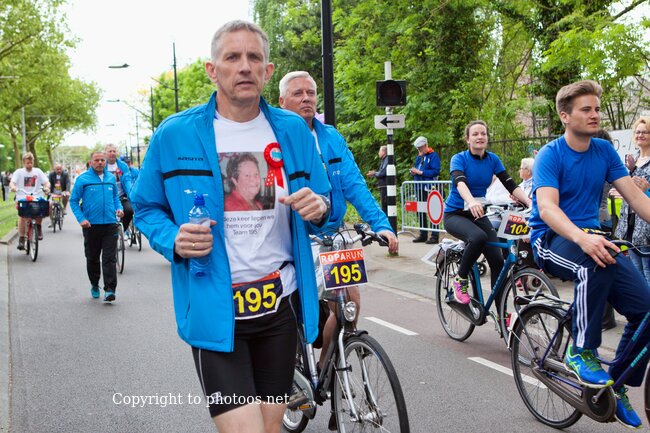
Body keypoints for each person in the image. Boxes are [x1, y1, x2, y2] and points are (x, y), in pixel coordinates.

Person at [130, 21, 332, 433]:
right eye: (232, 57)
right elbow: (145, 207)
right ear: (212, 69)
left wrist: (320, 206)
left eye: (254, 57)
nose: (244, 66)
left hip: (280, 306)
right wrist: (173, 239)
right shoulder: (175, 134)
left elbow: (325, 199)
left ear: (268, 71)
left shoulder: (293, 130)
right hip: (216, 308)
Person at [529, 80, 650, 429]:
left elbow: (637, 199)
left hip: (593, 238)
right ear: (565, 116)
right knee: (594, 264)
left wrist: (590, 238)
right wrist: (582, 238)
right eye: (586, 109)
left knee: (646, 310)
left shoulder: (604, 151)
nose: (595, 114)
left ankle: (618, 384)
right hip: (552, 238)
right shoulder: (550, 154)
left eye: (596, 108)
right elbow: (548, 208)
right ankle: (580, 350)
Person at [278, 70, 398, 377]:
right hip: (292, 238)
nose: (306, 98)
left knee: (349, 304)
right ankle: (290, 370)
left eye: (310, 93)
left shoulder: (331, 137)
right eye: (297, 93)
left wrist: (381, 225)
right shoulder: (274, 138)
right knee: (289, 311)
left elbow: (355, 184)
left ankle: (324, 368)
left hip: (332, 234)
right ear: (281, 101)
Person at [443, 120, 531, 304]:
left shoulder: (492, 159)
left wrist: (530, 202)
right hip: (456, 214)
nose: (480, 137)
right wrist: (471, 201)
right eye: (475, 134)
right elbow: (460, 182)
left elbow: (510, 184)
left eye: (483, 133)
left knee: (497, 261)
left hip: (478, 215)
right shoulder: (459, 158)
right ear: (467, 139)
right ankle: (460, 279)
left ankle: (500, 313)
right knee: (478, 237)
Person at [70, 151, 123, 302]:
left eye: (102, 160)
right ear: (91, 162)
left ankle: (110, 290)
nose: (100, 162)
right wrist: (81, 219)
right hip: (91, 225)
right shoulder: (82, 179)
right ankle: (94, 284)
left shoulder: (110, 178)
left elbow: (115, 197)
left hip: (110, 224)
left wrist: (119, 208)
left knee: (109, 258)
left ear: (105, 162)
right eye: (97, 160)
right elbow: (73, 201)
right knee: (92, 258)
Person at [10, 152, 50, 248]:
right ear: (24, 162)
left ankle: (38, 227)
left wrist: (47, 187)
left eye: (31, 162)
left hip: (36, 196)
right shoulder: (18, 172)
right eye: (28, 163)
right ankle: (21, 238)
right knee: (22, 216)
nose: (30, 165)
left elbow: (46, 182)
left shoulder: (38, 171)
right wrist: (13, 187)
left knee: (41, 208)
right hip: (22, 197)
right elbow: (12, 182)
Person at [410, 136, 440, 244]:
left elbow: (435, 171)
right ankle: (423, 234)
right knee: (421, 210)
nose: (419, 150)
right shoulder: (419, 157)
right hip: (419, 186)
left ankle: (434, 236)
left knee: (433, 210)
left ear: (426, 145)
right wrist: (413, 172)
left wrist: (421, 172)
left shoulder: (433, 156)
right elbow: (417, 167)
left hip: (430, 187)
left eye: (420, 148)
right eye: (417, 148)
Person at [104, 144, 133, 235]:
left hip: (121, 196)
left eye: (114, 151)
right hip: (107, 197)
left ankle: (122, 231)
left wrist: (131, 193)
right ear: (105, 153)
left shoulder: (122, 166)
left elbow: (127, 180)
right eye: (110, 151)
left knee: (129, 211)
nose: (112, 153)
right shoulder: (103, 166)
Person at [366, 145, 388, 215]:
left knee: (385, 205)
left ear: (384, 152)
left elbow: (383, 172)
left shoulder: (387, 160)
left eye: (379, 151)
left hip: (385, 186)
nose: (378, 153)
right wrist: (375, 173)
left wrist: (374, 173)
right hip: (384, 186)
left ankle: (386, 220)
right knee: (384, 205)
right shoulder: (384, 160)